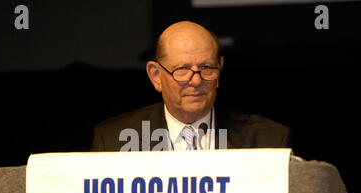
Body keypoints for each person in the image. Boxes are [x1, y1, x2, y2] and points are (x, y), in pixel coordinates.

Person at [91, 21, 291, 152]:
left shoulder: (269, 141)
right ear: (156, 76)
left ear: (220, 69)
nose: (196, 81)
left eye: (206, 67)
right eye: (182, 69)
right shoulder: (112, 142)